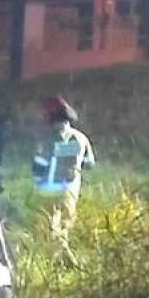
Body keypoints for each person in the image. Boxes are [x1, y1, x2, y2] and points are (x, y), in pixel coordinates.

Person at [31, 94, 96, 247]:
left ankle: (56, 257)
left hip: (48, 190)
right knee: (65, 226)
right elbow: (89, 163)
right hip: (70, 190)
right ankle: (64, 254)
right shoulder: (81, 138)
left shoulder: (47, 140)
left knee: (49, 227)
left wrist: (36, 181)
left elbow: (39, 166)